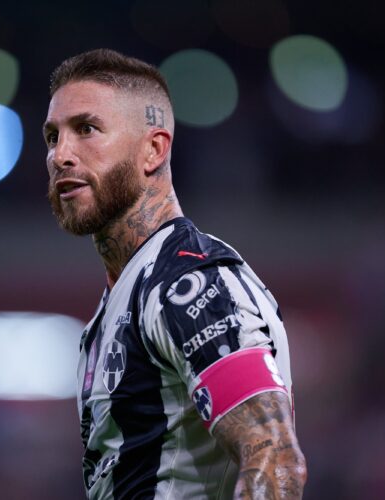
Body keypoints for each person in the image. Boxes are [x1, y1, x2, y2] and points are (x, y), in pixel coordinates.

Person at [44, 48, 307, 499]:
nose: (60, 155)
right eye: (53, 136)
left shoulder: (188, 284)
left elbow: (274, 457)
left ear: (153, 149)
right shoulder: (125, 296)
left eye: (86, 129)